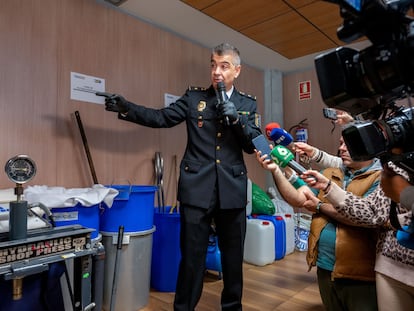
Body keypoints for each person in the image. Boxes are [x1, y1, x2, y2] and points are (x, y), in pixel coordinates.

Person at [102, 43, 262, 311]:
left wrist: (237, 120)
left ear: (237, 70)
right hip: (196, 190)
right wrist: (127, 107)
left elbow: (252, 145)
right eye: (213, 64)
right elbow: (161, 118)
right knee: (191, 260)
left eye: (224, 66)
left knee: (233, 262)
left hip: (232, 190)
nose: (216, 72)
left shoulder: (247, 103)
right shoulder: (194, 98)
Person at [256, 136, 382, 311]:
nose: (342, 149)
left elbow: (360, 217)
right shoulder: (331, 173)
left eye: (348, 144)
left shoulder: (379, 178)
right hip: (325, 266)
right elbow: (299, 198)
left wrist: (320, 206)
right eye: (340, 144)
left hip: (360, 274)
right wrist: (276, 170)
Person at [302, 160, 414, 311]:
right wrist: (329, 188)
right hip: (390, 267)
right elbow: (372, 212)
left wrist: (405, 195)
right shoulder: (396, 163)